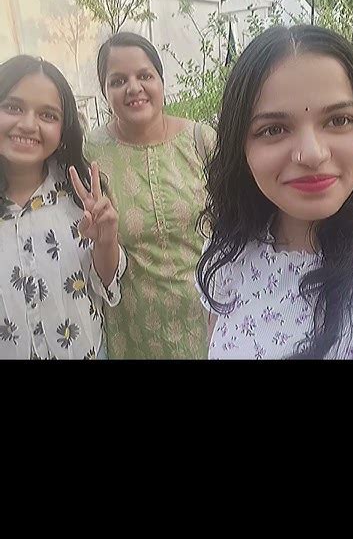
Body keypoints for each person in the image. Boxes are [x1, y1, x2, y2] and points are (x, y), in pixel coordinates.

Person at [196, 25, 353, 360]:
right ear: (240, 148)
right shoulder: (227, 253)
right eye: (274, 129)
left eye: (338, 120)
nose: (312, 154)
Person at [85, 32, 216, 359]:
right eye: (118, 80)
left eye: (144, 75)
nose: (134, 88)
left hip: (208, 327)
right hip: (134, 335)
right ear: (104, 91)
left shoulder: (201, 141)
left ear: (161, 81)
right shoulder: (92, 154)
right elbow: (101, 268)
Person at [0, 55, 127, 360]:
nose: (28, 125)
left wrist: (106, 241)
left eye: (48, 115)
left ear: (63, 129)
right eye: (13, 108)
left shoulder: (81, 195)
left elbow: (106, 284)